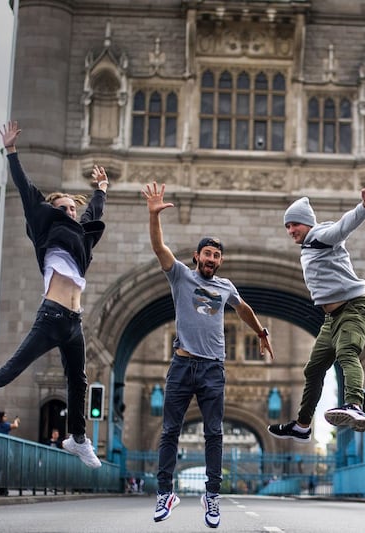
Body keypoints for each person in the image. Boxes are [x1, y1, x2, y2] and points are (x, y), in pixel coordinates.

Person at [0, 121, 106, 470]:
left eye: (72, 208)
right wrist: (11, 152)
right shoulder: (47, 227)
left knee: (79, 380)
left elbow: (93, 213)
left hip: (74, 321)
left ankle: (78, 438)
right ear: (53, 210)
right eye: (63, 207)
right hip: (52, 315)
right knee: (9, 371)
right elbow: (27, 191)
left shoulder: (82, 237)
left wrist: (101, 189)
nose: (69, 212)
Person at [143, 181, 274, 528]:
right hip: (182, 364)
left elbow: (243, 308)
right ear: (197, 257)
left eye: (217, 256)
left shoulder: (225, 286)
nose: (212, 260)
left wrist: (260, 332)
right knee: (170, 430)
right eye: (207, 254)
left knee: (213, 433)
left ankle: (211, 496)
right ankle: (165, 492)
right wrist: (154, 215)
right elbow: (159, 248)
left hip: (213, 368)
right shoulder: (181, 277)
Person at [268, 187, 365, 443]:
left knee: (347, 352)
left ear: (307, 223)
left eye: (294, 224)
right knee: (313, 369)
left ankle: (354, 405)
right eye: (287, 226)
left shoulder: (322, 236)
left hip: (355, 307)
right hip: (332, 319)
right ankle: (303, 425)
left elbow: (343, 227)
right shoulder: (308, 246)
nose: (290, 231)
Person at [0, 411, 19, 496]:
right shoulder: (4, 425)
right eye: (4, 416)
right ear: (1, 417)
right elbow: (15, 426)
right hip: (4, 452)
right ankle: (3, 490)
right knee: (4, 472)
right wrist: (16, 420)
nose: (6, 418)